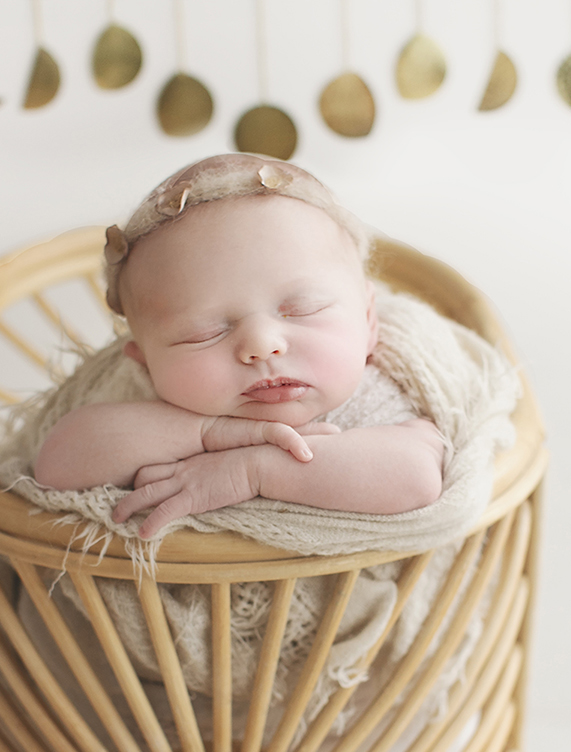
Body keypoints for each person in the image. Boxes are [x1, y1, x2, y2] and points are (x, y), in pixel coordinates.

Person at [32, 155, 444, 539]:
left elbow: (418, 475)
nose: (261, 345)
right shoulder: (143, 405)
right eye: (203, 332)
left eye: (303, 309)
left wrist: (251, 471)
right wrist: (209, 434)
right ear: (144, 363)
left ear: (369, 322)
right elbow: (55, 466)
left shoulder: (378, 398)